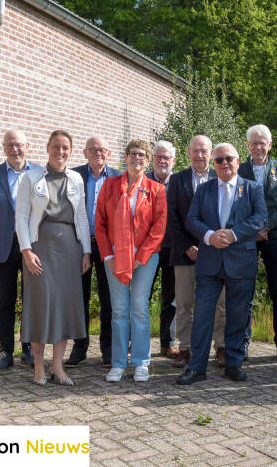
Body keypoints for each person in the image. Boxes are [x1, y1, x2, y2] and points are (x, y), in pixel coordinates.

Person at [177, 143, 267, 385]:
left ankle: (234, 363)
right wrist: (209, 236)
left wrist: (234, 234)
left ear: (238, 161)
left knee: (238, 316)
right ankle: (196, 367)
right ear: (214, 164)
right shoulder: (204, 190)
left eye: (229, 158)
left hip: (241, 262)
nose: (224, 163)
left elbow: (260, 218)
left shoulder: (252, 188)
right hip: (210, 262)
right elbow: (191, 219)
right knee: (203, 316)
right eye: (219, 160)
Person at [16, 130, 91, 386]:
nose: (60, 152)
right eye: (56, 147)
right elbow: (22, 217)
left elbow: (81, 217)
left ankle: (57, 366)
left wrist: (86, 251)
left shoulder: (77, 179)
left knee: (64, 307)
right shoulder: (31, 177)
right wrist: (26, 251)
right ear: (47, 148)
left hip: (69, 249)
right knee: (40, 306)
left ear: (71, 151)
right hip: (40, 249)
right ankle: (38, 365)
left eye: (65, 148)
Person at [96, 140, 167, 382]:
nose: (137, 158)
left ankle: (140, 362)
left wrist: (140, 257)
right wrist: (109, 256)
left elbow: (159, 227)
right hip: (115, 255)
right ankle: (117, 363)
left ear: (148, 161)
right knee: (118, 310)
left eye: (142, 155)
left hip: (145, 258)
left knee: (138, 308)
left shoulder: (156, 189)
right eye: (132, 154)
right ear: (125, 157)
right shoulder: (109, 185)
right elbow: (100, 224)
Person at [0, 129, 41, 371]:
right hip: (3, 247)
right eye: (10, 145)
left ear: (27, 146)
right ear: (4, 148)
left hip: (32, 247)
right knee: (5, 300)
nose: (15, 149)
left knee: (31, 300)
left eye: (19, 145)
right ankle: (5, 352)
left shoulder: (39, 173)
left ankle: (27, 349)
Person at [167, 135, 226, 368]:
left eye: (204, 151)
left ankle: (220, 347)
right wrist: (187, 246)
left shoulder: (220, 176)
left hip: (215, 252)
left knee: (220, 303)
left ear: (211, 154)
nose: (200, 155)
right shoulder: (177, 179)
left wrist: (210, 243)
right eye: (196, 151)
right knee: (184, 303)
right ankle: (185, 348)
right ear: (188, 152)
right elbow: (171, 217)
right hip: (184, 253)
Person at [67, 136, 122, 367]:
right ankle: (80, 347)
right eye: (93, 150)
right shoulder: (73, 175)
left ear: (108, 154)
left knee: (109, 298)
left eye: (102, 150)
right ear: (84, 152)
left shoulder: (119, 177)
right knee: (79, 298)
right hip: (80, 244)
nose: (97, 153)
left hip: (109, 246)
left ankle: (108, 348)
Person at [238, 124, 277, 360]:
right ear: (248, 145)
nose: (258, 147)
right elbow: (236, 204)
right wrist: (253, 228)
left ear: (270, 145)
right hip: (247, 238)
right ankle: (243, 342)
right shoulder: (239, 169)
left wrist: (267, 226)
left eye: (262, 143)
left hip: (273, 236)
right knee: (245, 291)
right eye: (254, 143)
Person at [146, 140, 179, 358]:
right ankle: (134, 342)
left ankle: (167, 343)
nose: (162, 161)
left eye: (166, 157)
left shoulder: (180, 182)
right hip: (147, 249)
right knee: (141, 296)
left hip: (173, 247)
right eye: (158, 156)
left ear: (173, 160)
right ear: (152, 159)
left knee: (171, 298)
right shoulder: (142, 180)